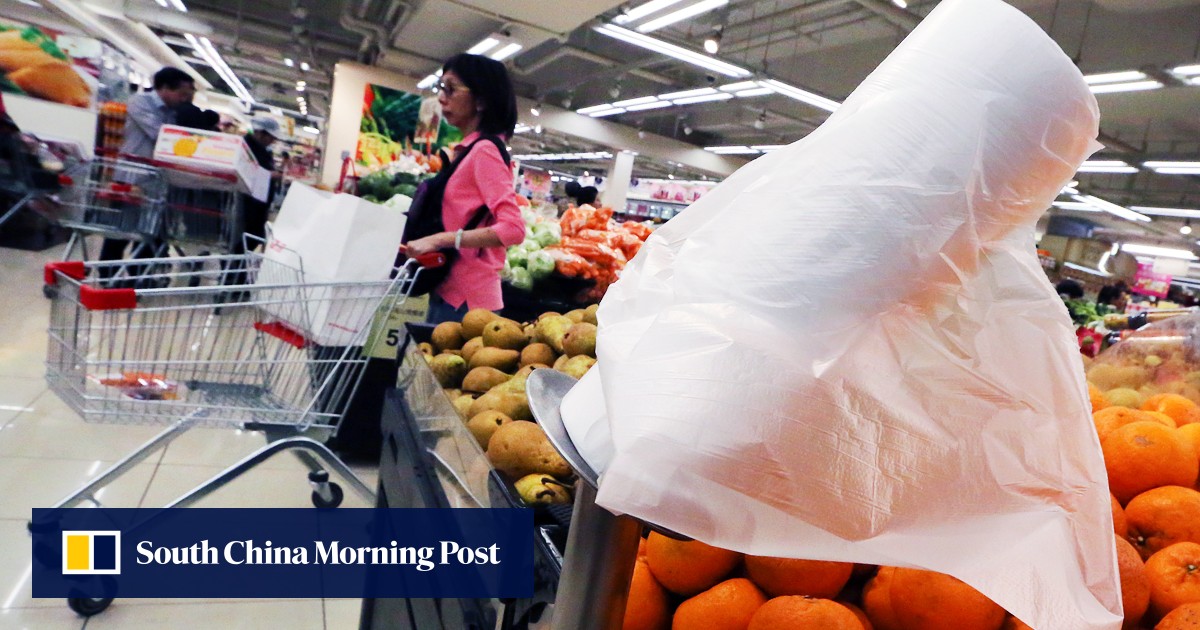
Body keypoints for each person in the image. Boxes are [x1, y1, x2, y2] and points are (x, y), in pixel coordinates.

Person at [403, 53, 524, 324]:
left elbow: (513, 229)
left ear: (481, 100)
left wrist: (440, 239)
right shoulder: (469, 150)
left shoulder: (485, 151)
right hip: (450, 290)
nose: (442, 97)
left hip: (469, 303)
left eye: (451, 88)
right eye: (440, 88)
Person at [99, 67, 195, 272]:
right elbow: (162, 137)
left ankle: (137, 281)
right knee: (119, 232)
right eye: (183, 94)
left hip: (156, 183)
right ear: (165, 88)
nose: (185, 99)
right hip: (130, 179)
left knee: (148, 235)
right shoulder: (140, 102)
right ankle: (107, 275)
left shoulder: (174, 112)